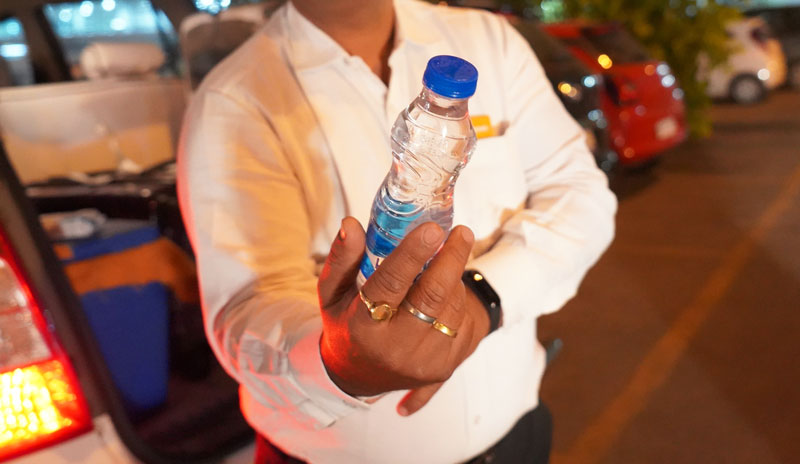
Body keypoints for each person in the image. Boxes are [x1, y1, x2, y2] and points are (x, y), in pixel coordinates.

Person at [177, 0, 617, 462]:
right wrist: (341, 360)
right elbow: (249, 307)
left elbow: (581, 195)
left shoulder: (490, 42)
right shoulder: (236, 97)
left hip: (517, 436)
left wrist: (482, 300)